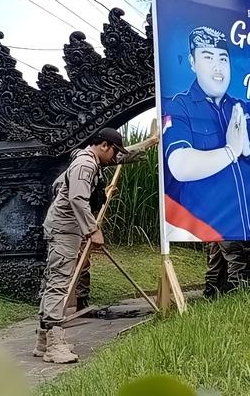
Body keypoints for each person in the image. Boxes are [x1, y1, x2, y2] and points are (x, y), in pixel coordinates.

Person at [35, 128, 156, 364]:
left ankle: (43, 340)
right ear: (103, 146)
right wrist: (93, 229)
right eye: (113, 152)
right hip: (64, 230)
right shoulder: (85, 165)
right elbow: (77, 198)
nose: (114, 158)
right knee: (60, 283)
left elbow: (123, 157)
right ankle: (54, 344)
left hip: (66, 228)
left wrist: (150, 142)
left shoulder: (90, 160)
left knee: (54, 281)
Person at [162, 26, 250, 242]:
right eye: (207, 58)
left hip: (247, 231)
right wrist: (230, 151)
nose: (218, 67)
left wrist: (249, 151)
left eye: (223, 59)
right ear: (192, 62)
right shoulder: (179, 106)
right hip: (200, 235)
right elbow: (180, 166)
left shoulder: (239, 109)